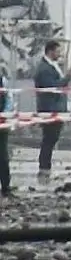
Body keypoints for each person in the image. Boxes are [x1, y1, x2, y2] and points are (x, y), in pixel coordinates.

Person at [33, 37, 66, 179]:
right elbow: (52, 87)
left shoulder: (52, 65)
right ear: (51, 51)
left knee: (51, 139)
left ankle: (46, 166)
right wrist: (67, 78)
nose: (60, 54)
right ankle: (44, 168)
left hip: (55, 108)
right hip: (50, 109)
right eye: (58, 51)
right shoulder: (45, 68)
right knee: (49, 139)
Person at [0, 66, 12, 200]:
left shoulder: (3, 81)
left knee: (2, 157)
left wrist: (4, 115)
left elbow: (9, 100)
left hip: (2, 124)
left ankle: (5, 187)